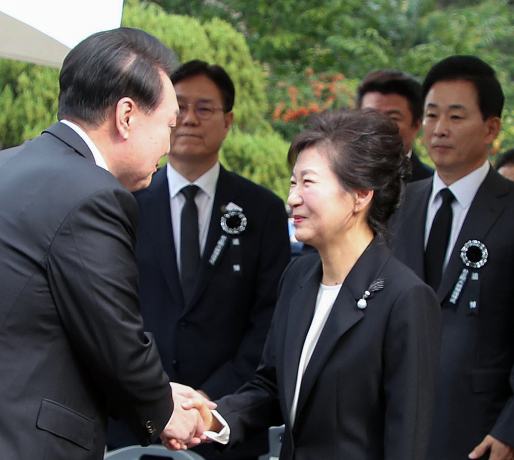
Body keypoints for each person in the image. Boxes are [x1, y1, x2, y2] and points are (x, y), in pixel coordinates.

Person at [0, 28, 212, 459]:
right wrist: (165, 411)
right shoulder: (91, 193)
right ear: (126, 115)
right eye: (168, 124)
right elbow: (116, 338)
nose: (169, 143)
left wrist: (156, 394)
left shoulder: (5, 163)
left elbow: (34, 326)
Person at [168, 108, 442, 459]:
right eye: (293, 182)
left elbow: (406, 442)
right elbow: (271, 387)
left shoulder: (405, 299)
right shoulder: (298, 277)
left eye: (308, 182)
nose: (293, 198)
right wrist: (212, 417)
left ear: (360, 193)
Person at [108, 60, 290, 458]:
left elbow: (269, 320)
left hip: (224, 424)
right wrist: (154, 396)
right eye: (179, 108)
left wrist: (205, 404)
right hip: (133, 420)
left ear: (228, 121)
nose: (190, 119)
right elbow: (110, 310)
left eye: (204, 108)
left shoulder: (262, 211)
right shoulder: (123, 201)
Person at [390, 55, 514, 460]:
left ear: (491, 128)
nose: (439, 130)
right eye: (431, 115)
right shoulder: (398, 206)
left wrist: (510, 429)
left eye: (456, 117)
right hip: (397, 425)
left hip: (480, 428)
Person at [357, 69, 434, 182]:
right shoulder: (336, 179)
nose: (380, 126)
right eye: (371, 115)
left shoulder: (432, 184)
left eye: (393, 118)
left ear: (416, 126)